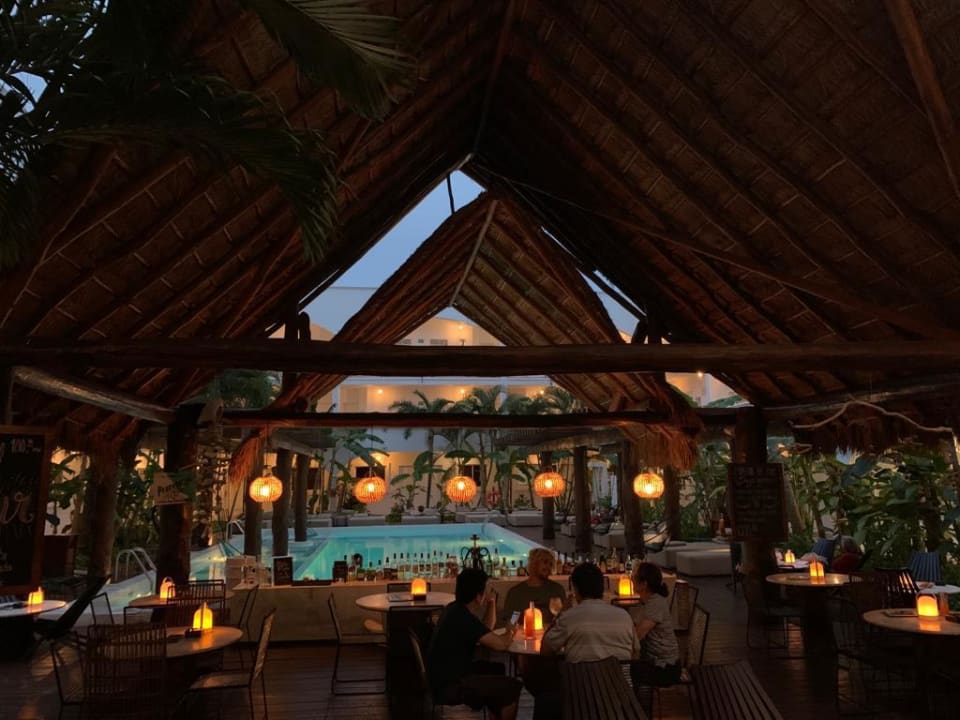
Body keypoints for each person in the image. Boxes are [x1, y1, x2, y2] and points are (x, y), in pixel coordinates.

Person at [533, 563, 637, 720]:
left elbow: (545, 650)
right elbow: (635, 653)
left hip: (581, 701)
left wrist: (561, 613)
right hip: (621, 700)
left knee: (544, 700)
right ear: (602, 587)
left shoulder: (569, 617)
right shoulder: (624, 616)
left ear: (575, 589)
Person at [427, 568, 522, 720]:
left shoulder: (455, 609)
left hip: (443, 675)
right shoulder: (463, 618)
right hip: (450, 684)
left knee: (497, 669)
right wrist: (511, 630)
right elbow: (500, 645)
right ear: (478, 596)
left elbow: (486, 629)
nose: (488, 593)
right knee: (512, 687)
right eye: (486, 590)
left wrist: (491, 602)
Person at [629, 561, 681, 715]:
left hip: (666, 668)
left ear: (644, 584)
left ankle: (639, 713)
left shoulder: (655, 604)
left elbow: (637, 636)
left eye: (634, 577)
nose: (631, 579)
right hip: (658, 662)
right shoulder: (649, 601)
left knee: (625, 671)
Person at [502, 547, 566, 621]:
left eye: (550, 565)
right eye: (545, 562)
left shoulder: (556, 590)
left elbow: (563, 617)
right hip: (524, 628)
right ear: (533, 564)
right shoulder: (516, 593)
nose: (548, 567)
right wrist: (515, 621)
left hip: (552, 628)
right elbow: (512, 619)